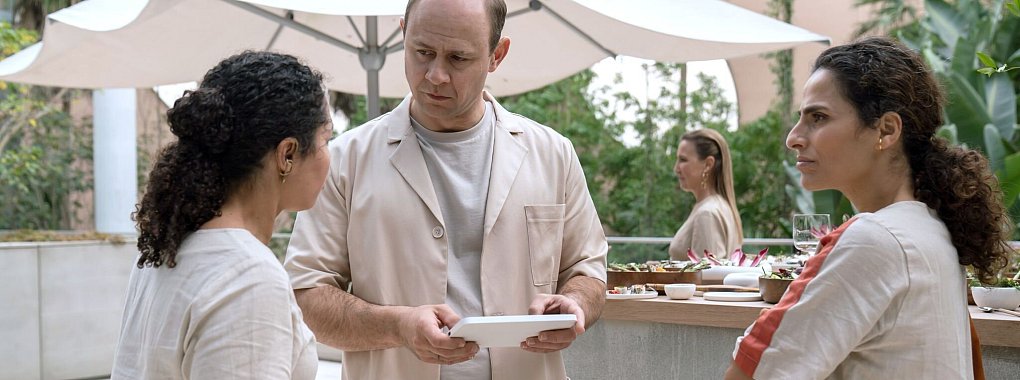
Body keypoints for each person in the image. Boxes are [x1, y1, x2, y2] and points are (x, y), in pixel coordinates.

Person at [283, 0, 608, 379]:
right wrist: (398, 326)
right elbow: (305, 297)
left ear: (496, 55)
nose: (435, 75)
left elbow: (589, 270)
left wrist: (574, 302)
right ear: (403, 34)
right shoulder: (344, 160)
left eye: (458, 58)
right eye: (422, 52)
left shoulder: (553, 154)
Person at [725, 37, 1012, 380]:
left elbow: (753, 372)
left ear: (886, 130)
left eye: (818, 117)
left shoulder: (873, 239)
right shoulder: (931, 231)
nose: (794, 137)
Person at [112, 51, 333, 380]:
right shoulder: (248, 277)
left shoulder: (168, 250)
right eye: (325, 139)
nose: (330, 154)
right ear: (287, 154)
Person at [668, 129, 743, 260]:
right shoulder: (717, 206)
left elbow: (707, 277)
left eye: (683, 160)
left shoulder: (707, 213)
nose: (676, 168)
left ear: (708, 164)